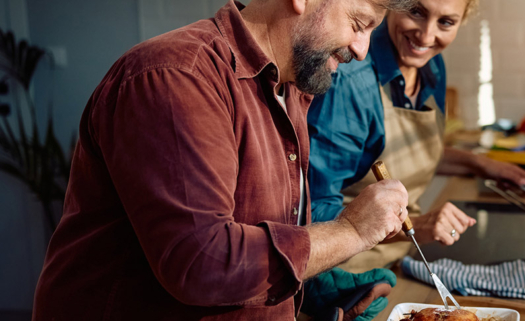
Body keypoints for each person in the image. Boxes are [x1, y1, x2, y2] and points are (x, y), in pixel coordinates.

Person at [32, 0, 416, 320]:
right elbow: (203, 263)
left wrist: (313, 287)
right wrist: (351, 230)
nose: (363, 49)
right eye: (358, 23)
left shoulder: (292, 90)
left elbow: (258, 233)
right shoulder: (176, 76)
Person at [307, 0, 525, 271]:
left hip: (398, 259)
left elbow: (403, 154)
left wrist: (479, 164)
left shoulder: (432, 65)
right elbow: (314, 212)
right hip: (344, 269)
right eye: (416, 12)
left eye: (446, 22)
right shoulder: (351, 81)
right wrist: (418, 227)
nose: (426, 36)